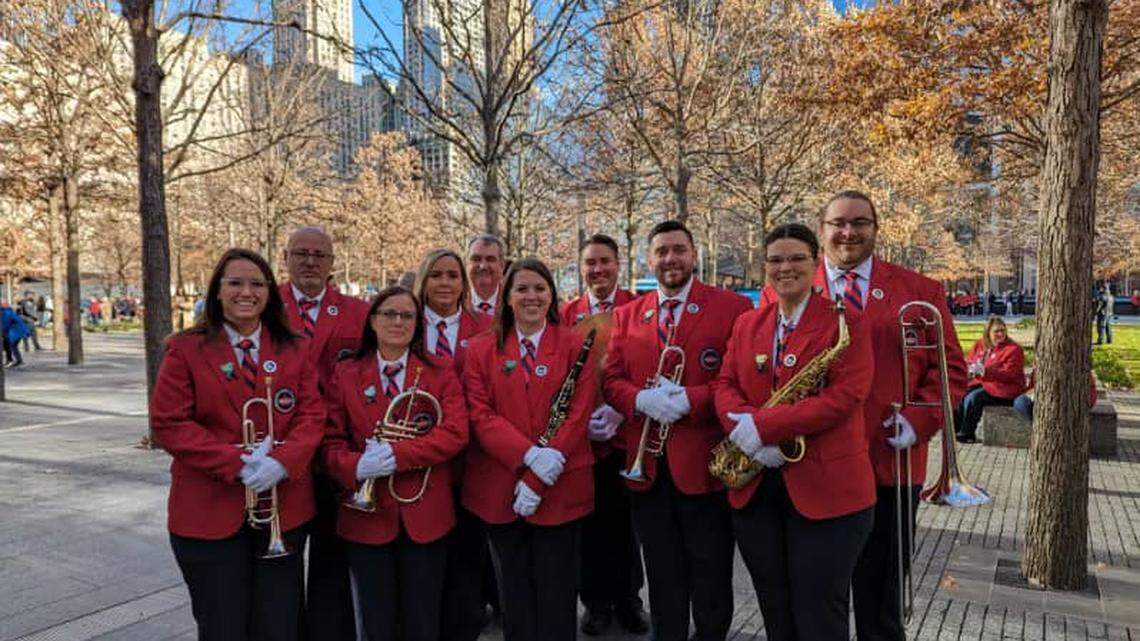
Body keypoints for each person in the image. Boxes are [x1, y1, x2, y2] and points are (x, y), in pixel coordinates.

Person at [769, 191, 967, 641]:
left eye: (860, 222)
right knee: (820, 600)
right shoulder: (787, 283)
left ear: (876, 229)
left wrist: (919, 421)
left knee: (881, 604)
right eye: (838, 223)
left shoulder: (920, 290)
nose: (848, 232)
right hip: (813, 466)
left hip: (888, 464)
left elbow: (952, 372)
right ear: (821, 232)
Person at [150, 248, 326, 641]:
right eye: (235, 282)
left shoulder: (294, 347)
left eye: (257, 284)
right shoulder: (186, 348)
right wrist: (239, 463)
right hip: (208, 510)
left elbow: (313, 416)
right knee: (222, 625)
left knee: (279, 626)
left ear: (269, 293)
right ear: (217, 291)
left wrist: (282, 462)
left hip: (283, 509)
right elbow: (169, 422)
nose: (246, 292)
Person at [716, 223, 876, 641]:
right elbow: (725, 384)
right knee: (774, 606)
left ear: (816, 261)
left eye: (796, 259)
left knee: (820, 611)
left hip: (829, 493)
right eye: (775, 260)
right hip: (758, 491)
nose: (785, 268)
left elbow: (845, 397)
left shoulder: (846, 324)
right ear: (764, 266)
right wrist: (743, 428)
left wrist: (762, 427)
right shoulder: (748, 323)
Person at [603, 220, 752, 641]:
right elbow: (611, 379)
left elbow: (739, 381)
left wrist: (693, 399)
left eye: (678, 250)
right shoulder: (629, 315)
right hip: (647, 469)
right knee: (662, 573)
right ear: (649, 260)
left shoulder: (732, 308)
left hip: (704, 468)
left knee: (710, 575)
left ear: (694, 255)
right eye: (662, 251)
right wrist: (638, 400)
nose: (670, 259)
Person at [321, 286, 469, 641]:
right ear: (372, 320)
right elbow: (328, 442)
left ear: (418, 324)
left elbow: (455, 433)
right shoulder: (346, 373)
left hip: (424, 513)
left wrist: (397, 456)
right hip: (366, 515)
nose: (398, 322)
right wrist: (356, 466)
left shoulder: (440, 371)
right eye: (389, 313)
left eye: (407, 315)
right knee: (375, 621)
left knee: (423, 619)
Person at [462, 258, 598, 641]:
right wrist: (527, 456)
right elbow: (480, 414)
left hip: (560, 484)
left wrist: (539, 475)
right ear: (507, 297)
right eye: (521, 288)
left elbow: (578, 412)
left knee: (557, 594)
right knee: (514, 595)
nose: (531, 296)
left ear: (552, 295)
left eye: (540, 288)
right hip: (500, 486)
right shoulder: (478, 349)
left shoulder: (576, 343)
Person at [277, 226, 370, 641]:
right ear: (286, 258)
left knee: (332, 564)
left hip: (335, 455)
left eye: (320, 254)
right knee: (283, 565)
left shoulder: (357, 312)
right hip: (283, 456)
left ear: (333, 263)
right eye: (301, 253)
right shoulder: (265, 306)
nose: (310, 261)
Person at [558, 234, 647, 636]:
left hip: (628, 435)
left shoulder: (640, 307)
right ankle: (594, 602)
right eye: (590, 263)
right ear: (581, 268)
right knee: (589, 526)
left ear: (619, 264)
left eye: (605, 261)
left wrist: (619, 407)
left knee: (628, 526)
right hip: (584, 439)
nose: (598, 269)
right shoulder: (565, 314)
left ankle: (629, 599)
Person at [415, 248, 497, 641]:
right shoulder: (404, 323)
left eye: (452, 276)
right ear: (423, 282)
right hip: (419, 464)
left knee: (468, 561)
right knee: (425, 564)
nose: (445, 283)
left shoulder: (487, 326)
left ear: (463, 284)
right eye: (436, 275)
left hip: (472, 462)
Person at [955, 315, 1026, 443]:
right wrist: (969, 370)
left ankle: (967, 433)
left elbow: (1009, 374)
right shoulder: (980, 345)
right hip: (985, 384)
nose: (1000, 334)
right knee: (959, 393)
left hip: (1005, 390)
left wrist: (985, 371)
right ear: (988, 332)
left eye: (1002, 330)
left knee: (974, 398)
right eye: (996, 331)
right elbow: (970, 361)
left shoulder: (1014, 350)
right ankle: (956, 429)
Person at [1012, 368, 1097, 421]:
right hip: (1043, 401)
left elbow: (1090, 393)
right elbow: (1031, 387)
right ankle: (1038, 426)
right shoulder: (1039, 367)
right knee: (1020, 402)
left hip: (1068, 402)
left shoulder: (1077, 367)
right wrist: (1031, 392)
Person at [467, 234, 506, 317]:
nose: (483, 266)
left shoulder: (513, 302)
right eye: (476, 259)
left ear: (502, 265)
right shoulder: (455, 302)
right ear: (466, 264)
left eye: (490, 259)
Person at [2, 301, 29, 367]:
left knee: (10, 345)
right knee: (13, 346)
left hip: (16, 331)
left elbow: (5, 324)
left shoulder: (6, 312)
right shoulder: (9, 311)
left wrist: (3, 334)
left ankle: (10, 360)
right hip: (19, 331)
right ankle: (18, 360)